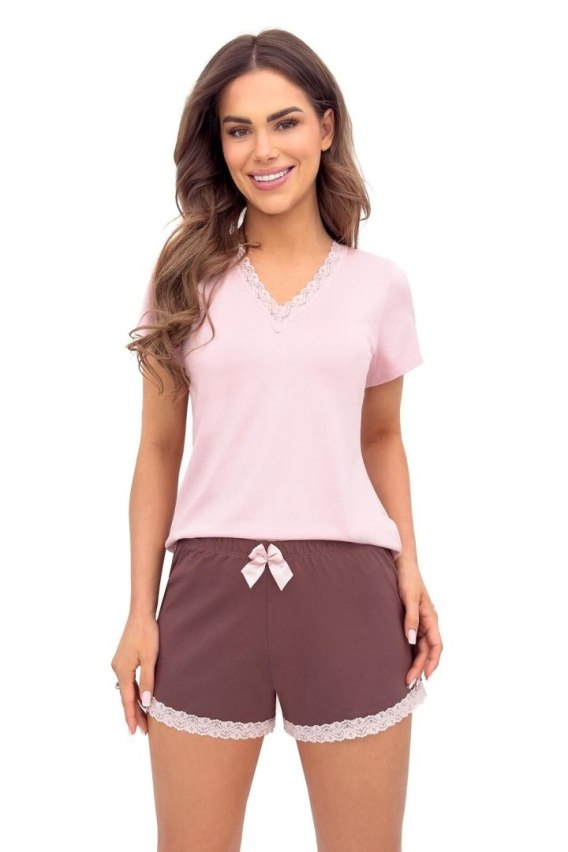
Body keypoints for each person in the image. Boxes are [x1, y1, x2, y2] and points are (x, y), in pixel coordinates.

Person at [111, 27, 443, 852]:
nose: (263, 150)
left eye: (285, 122)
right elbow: (158, 450)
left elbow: (381, 437)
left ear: (326, 127)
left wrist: (411, 566)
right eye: (239, 129)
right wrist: (139, 611)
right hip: (207, 591)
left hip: (351, 592)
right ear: (218, 144)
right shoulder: (184, 280)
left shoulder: (379, 286)